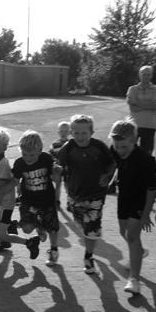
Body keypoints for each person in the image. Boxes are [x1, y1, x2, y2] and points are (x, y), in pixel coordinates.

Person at [56, 114, 116, 274]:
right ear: (71, 132)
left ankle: (89, 257)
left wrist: (108, 176)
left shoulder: (99, 147)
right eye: (76, 133)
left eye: (84, 133)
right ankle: (91, 228)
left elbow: (112, 162)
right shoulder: (68, 147)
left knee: (90, 228)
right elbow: (57, 163)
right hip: (75, 193)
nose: (80, 136)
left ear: (92, 132)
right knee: (80, 221)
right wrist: (56, 170)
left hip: (96, 194)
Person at [0, 127, 40, 269]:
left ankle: (25, 243)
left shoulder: (2, 163)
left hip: (3, 203)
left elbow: (3, 186)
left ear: (4, 147)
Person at [109, 119, 156, 295]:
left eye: (124, 147)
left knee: (132, 237)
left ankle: (134, 280)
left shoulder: (146, 160)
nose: (120, 150)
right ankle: (139, 252)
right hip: (124, 198)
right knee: (124, 233)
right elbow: (113, 163)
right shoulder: (115, 149)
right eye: (117, 146)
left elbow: (152, 191)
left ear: (134, 140)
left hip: (140, 200)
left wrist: (145, 215)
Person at [12, 130, 61, 266]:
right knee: (27, 229)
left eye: (32, 155)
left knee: (52, 228)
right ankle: (39, 228)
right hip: (28, 201)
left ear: (40, 150)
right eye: (24, 154)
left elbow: (54, 178)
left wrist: (57, 173)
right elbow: (14, 180)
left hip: (46, 200)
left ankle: (53, 251)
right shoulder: (19, 163)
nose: (28, 158)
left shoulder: (46, 158)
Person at [126, 65, 156, 154]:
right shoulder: (132, 89)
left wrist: (138, 104)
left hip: (150, 125)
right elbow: (132, 108)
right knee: (129, 151)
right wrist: (150, 105)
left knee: (146, 154)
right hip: (134, 125)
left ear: (151, 75)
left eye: (148, 74)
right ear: (139, 75)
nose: (146, 76)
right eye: (144, 74)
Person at [49, 121, 71, 204]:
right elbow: (50, 155)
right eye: (61, 131)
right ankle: (56, 200)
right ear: (58, 132)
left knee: (67, 185)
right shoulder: (55, 144)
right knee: (58, 184)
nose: (63, 133)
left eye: (66, 131)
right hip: (57, 167)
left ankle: (69, 201)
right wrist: (53, 162)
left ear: (69, 132)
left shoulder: (70, 143)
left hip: (67, 167)